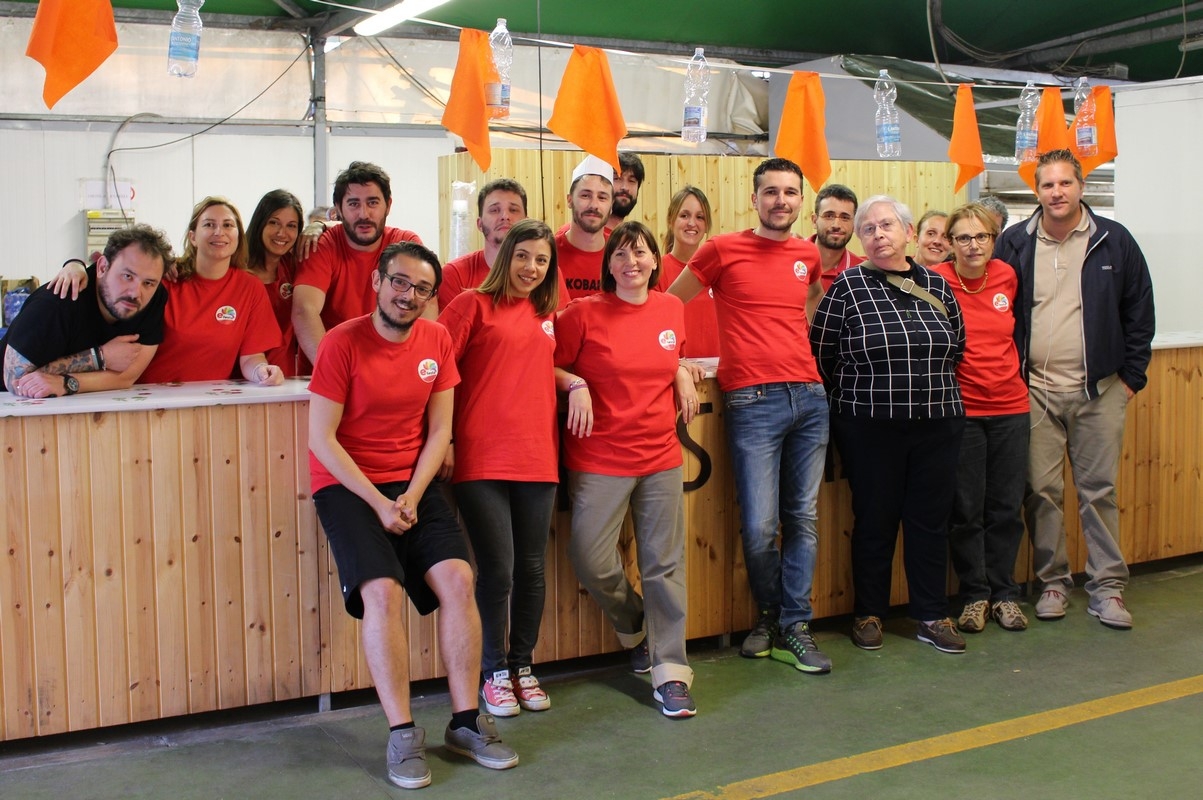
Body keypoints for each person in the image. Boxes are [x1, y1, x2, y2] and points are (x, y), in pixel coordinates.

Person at [308, 240, 518, 789]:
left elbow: (441, 429)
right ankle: (402, 733)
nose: (408, 295)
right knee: (381, 591)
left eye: (421, 288)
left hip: (412, 484)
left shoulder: (437, 339)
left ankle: (466, 723)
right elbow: (321, 439)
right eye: (399, 282)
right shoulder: (341, 342)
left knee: (459, 578)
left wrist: (411, 494)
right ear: (378, 282)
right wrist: (378, 502)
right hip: (347, 486)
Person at [667, 157, 832, 675]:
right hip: (752, 401)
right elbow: (668, 306)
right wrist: (674, 360)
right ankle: (770, 617)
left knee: (802, 519)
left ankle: (793, 625)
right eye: (771, 192)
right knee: (761, 526)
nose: (781, 201)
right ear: (754, 199)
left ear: (800, 200)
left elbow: (810, 306)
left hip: (809, 398)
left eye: (790, 192)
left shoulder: (808, 254)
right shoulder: (722, 250)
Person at [995, 148, 1155, 630]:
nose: (1056, 193)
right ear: (1036, 191)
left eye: (1065, 183)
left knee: (1098, 491)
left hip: (1100, 390)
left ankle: (1108, 589)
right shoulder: (1015, 243)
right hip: (1034, 391)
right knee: (1041, 491)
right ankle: (1054, 583)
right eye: (1047, 185)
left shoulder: (1114, 241)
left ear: (1081, 187)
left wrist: (1130, 379)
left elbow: (1139, 313)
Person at [555, 221, 700, 718]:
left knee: (664, 565)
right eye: (621, 254)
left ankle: (671, 670)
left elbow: (671, 354)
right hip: (599, 458)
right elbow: (547, 364)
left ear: (655, 261)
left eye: (640, 253)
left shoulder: (670, 308)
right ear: (608, 264)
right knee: (590, 557)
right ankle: (636, 623)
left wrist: (682, 370)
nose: (631, 262)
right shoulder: (581, 315)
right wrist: (574, 383)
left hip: (660, 456)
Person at [809, 195, 966, 654]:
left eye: (887, 225)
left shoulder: (939, 288)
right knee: (875, 520)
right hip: (870, 427)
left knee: (929, 522)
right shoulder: (846, 289)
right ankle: (869, 613)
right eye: (869, 228)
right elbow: (824, 355)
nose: (878, 234)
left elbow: (955, 347)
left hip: (938, 423)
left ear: (909, 232)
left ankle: (932, 613)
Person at [438, 220, 560, 718]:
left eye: (542, 260)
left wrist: (576, 385)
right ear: (505, 254)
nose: (532, 267)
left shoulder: (548, 313)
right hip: (482, 456)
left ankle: (522, 666)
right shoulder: (469, 304)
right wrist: (442, 437)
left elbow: (554, 367)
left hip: (539, 456)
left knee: (533, 569)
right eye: (524, 255)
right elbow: (438, 370)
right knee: (499, 569)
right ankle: (492, 672)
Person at [931, 203, 1030, 633]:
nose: (974, 245)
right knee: (966, 510)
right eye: (964, 238)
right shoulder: (935, 282)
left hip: (1011, 407)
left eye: (982, 237)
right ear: (950, 243)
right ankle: (975, 596)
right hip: (963, 411)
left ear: (994, 239)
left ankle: (1005, 594)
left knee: (1006, 508)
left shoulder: (1007, 276)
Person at [2, 225, 172, 397]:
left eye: (148, 283)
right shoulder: (56, 303)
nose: (135, 293)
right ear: (102, 267)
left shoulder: (154, 298)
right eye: (127, 276)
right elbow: (14, 382)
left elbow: (126, 378)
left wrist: (68, 383)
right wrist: (99, 357)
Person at [135, 197, 283, 386]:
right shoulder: (167, 280)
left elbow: (251, 356)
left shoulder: (250, 287)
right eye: (209, 225)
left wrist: (261, 371)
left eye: (228, 225)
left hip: (211, 405)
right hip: (154, 398)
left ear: (238, 236)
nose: (219, 232)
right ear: (193, 237)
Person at [293, 161, 422, 364]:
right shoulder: (321, 245)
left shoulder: (406, 244)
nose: (364, 214)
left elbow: (425, 307)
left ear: (388, 205)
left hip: (392, 370)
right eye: (353, 204)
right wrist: (333, 372)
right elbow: (304, 311)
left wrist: (410, 365)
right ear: (338, 209)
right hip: (329, 376)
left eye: (372, 202)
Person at [437, 179, 569, 315]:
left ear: (526, 221)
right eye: (494, 210)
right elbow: (445, 334)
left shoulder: (544, 271)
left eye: (513, 210)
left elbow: (558, 327)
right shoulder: (454, 274)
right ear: (479, 223)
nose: (505, 216)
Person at [246, 189, 307, 376]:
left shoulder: (295, 265)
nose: (282, 233)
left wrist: (319, 225)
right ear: (260, 223)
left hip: (283, 379)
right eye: (274, 223)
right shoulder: (235, 267)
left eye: (291, 226)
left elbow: (343, 232)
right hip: (238, 380)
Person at [654, 185, 718, 357]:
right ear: (670, 220)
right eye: (684, 215)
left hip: (717, 375)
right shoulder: (655, 270)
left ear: (707, 225)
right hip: (676, 372)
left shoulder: (718, 272)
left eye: (700, 217)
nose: (692, 223)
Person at [556, 154, 614, 301]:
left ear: (611, 206)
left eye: (602, 197)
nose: (594, 205)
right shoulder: (547, 253)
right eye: (585, 195)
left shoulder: (621, 255)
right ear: (569, 200)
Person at [810, 184, 863, 294]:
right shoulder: (790, 257)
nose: (836, 225)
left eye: (845, 218)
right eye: (829, 216)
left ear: (854, 225)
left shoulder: (863, 274)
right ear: (814, 221)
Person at [608, 152, 645, 228]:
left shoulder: (636, 238)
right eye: (617, 179)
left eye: (631, 181)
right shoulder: (590, 236)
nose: (625, 187)